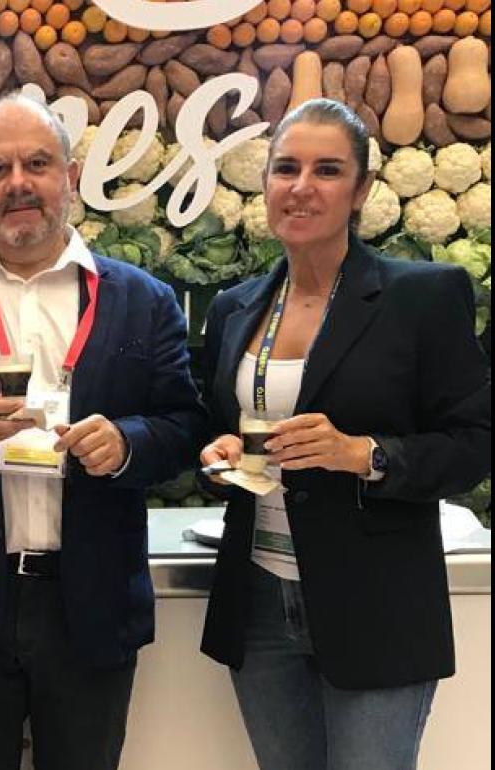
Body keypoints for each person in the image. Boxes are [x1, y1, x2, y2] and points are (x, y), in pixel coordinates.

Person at [0, 94, 207, 770]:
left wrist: (129, 441)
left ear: (70, 178)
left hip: (91, 601)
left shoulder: (143, 299)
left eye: (37, 164)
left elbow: (187, 426)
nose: (18, 182)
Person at [198, 98, 491, 770]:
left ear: (360, 190)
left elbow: (475, 442)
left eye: (327, 170)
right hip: (260, 601)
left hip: (377, 604)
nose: (301, 187)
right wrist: (220, 452)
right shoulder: (236, 307)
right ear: (265, 182)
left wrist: (365, 454)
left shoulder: (422, 296)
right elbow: (226, 427)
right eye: (286, 169)